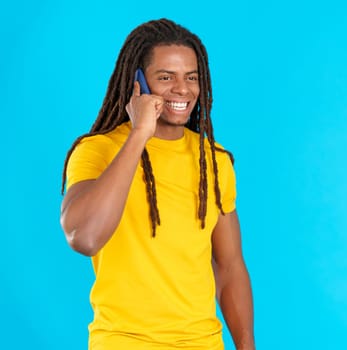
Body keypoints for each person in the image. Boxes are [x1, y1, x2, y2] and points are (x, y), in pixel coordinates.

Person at [60, 18, 255, 350]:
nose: (182, 89)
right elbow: (85, 238)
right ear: (137, 83)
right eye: (165, 77)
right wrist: (139, 134)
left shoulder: (214, 160)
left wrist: (246, 346)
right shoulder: (97, 150)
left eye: (191, 78)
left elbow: (229, 266)